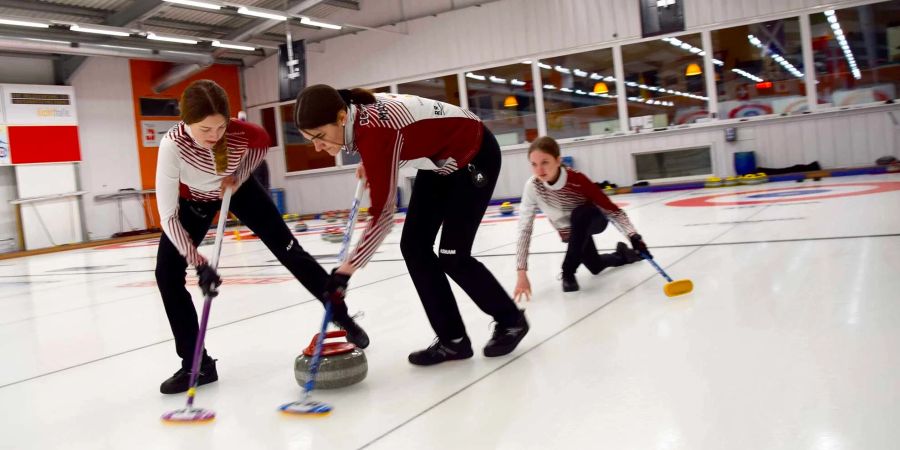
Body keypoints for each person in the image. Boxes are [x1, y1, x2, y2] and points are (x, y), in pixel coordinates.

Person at [155, 80, 368, 394]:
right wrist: (199, 263)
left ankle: (342, 316)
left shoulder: (244, 134)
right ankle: (196, 365)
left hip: (238, 190)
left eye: (220, 128)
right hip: (193, 201)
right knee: (167, 274)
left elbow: (262, 144)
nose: (214, 137)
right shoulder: (172, 146)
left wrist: (239, 177)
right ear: (185, 123)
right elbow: (168, 216)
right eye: (204, 130)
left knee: (290, 251)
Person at [294, 85, 528, 366]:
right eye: (311, 140)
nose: (318, 147)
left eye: (320, 136)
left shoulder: (375, 132)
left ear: (342, 117)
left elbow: (383, 216)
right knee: (414, 246)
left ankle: (511, 321)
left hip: (475, 154)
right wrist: (372, 163)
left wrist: (344, 273)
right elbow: (399, 139)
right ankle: (453, 340)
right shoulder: (361, 122)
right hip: (440, 159)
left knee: (453, 256)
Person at [514, 136, 649, 295]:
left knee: (579, 214)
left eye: (545, 162)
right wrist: (521, 273)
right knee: (595, 266)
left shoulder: (577, 180)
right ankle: (625, 255)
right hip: (572, 233)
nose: (539, 170)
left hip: (593, 220)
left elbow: (613, 211)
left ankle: (568, 271)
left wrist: (633, 236)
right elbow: (524, 229)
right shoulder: (533, 187)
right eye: (534, 164)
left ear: (558, 160)